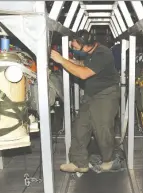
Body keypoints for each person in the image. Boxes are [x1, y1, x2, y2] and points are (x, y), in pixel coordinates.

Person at [50, 29, 120, 173]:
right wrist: (70, 60)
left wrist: (61, 60)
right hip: (91, 95)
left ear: (84, 45)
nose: (72, 47)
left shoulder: (103, 52)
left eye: (75, 46)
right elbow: (84, 64)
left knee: (103, 129)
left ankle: (109, 160)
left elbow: (83, 74)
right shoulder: (91, 53)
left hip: (106, 95)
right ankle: (79, 162)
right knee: (80, 127)